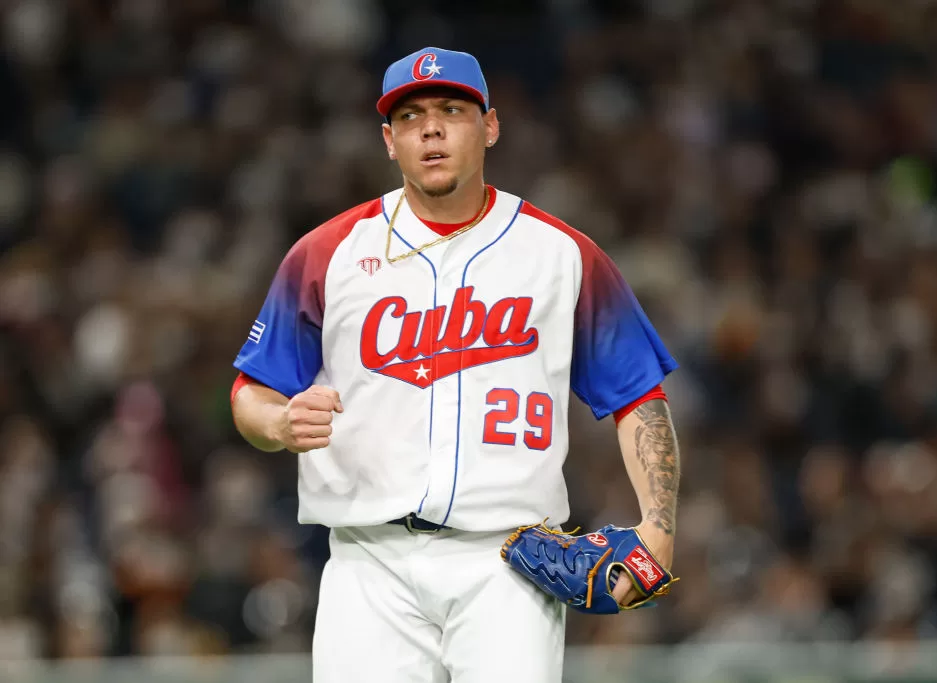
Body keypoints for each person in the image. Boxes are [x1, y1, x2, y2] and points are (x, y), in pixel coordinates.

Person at [229, 46, 682, 683]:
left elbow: (639, 395)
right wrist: (276, 424)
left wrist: (658, 527)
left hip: (507, 566)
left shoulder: (560, 254)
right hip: (367, 563)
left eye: (451, 110)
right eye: (411, 117)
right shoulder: (327, 253)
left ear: (490, 127)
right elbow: (251, 392)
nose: (432, 128)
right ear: (390, 141)